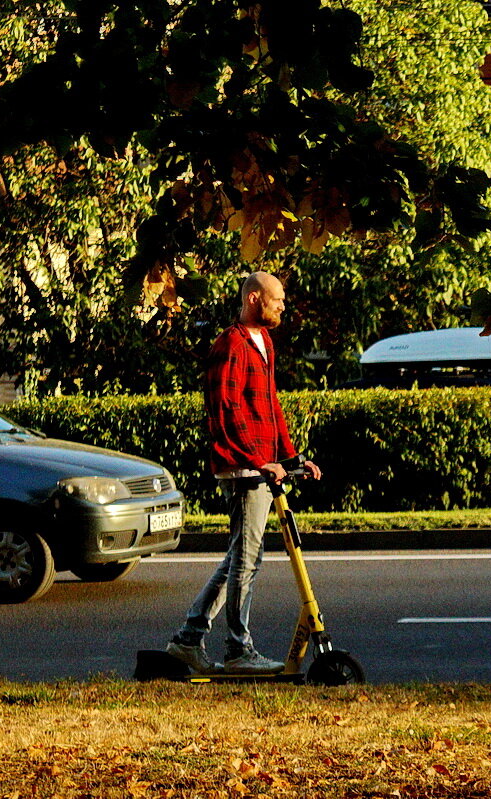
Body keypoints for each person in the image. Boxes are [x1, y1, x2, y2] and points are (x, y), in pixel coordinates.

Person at [166, 272, 321, 675]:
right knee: (246, 561)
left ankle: (187, 639)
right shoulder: (231, 344)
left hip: (262, 469)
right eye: (277, 300)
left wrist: (291, 458)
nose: (282, 307)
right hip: (242, 471)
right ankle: (238, 650)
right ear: (255, 299)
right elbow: (225, 412)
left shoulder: (264, 343)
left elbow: (270, 408)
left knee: (240, 557)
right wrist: (255, 460)